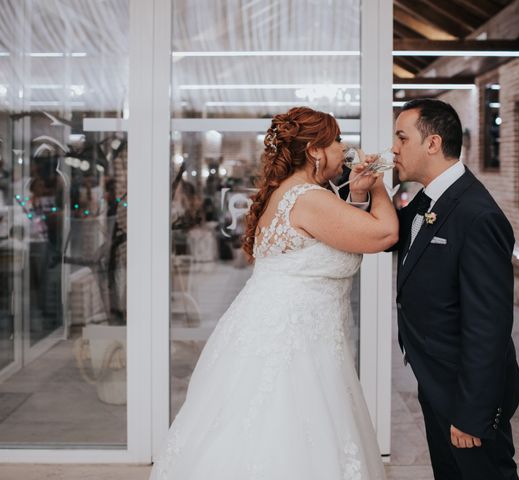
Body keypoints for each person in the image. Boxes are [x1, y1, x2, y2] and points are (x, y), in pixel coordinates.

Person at [150, 106, 397, 480]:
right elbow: (383, 235)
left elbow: (340, 236)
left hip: (289, 330)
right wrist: (378, 183)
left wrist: (359, 194)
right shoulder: (308, 198)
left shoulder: (300, 193)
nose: (344, 149)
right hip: (293, 342)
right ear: (315, 150)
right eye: (337, 142)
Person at [389, 98, 519, 480]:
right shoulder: (429, 198)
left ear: (432, 143)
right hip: (436, 379)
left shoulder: (477, 215)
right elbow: (391, 235)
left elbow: (489, 326)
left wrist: (473, 415)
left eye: (401, 137)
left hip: (467, 392)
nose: (394, 148)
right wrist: (367, 192)